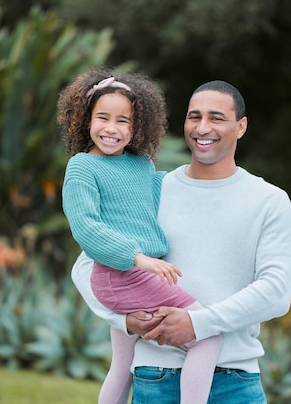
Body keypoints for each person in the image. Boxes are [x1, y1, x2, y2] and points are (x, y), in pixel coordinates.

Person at [71, 79, 291, 403]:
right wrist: (121, 320)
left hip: (236, 382)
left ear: (241, 126)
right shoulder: (155, 189)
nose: (202, 127)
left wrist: (198, 323)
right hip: (155, 378)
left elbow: (276, 291)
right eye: (194, 116)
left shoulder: (268, 200)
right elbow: (86, 264)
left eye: (216, 117)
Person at [58, 68, 223, 404]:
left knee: (123, 364)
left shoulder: (141, 166)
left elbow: (169, 194)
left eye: (123, 121)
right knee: (207, 335)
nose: (111, 129)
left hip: (136, 274)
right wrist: (138, 258)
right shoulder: (81, 167)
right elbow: (87, 229)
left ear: (136, 128)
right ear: (85, 119)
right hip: (122, 275)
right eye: (103, 117)